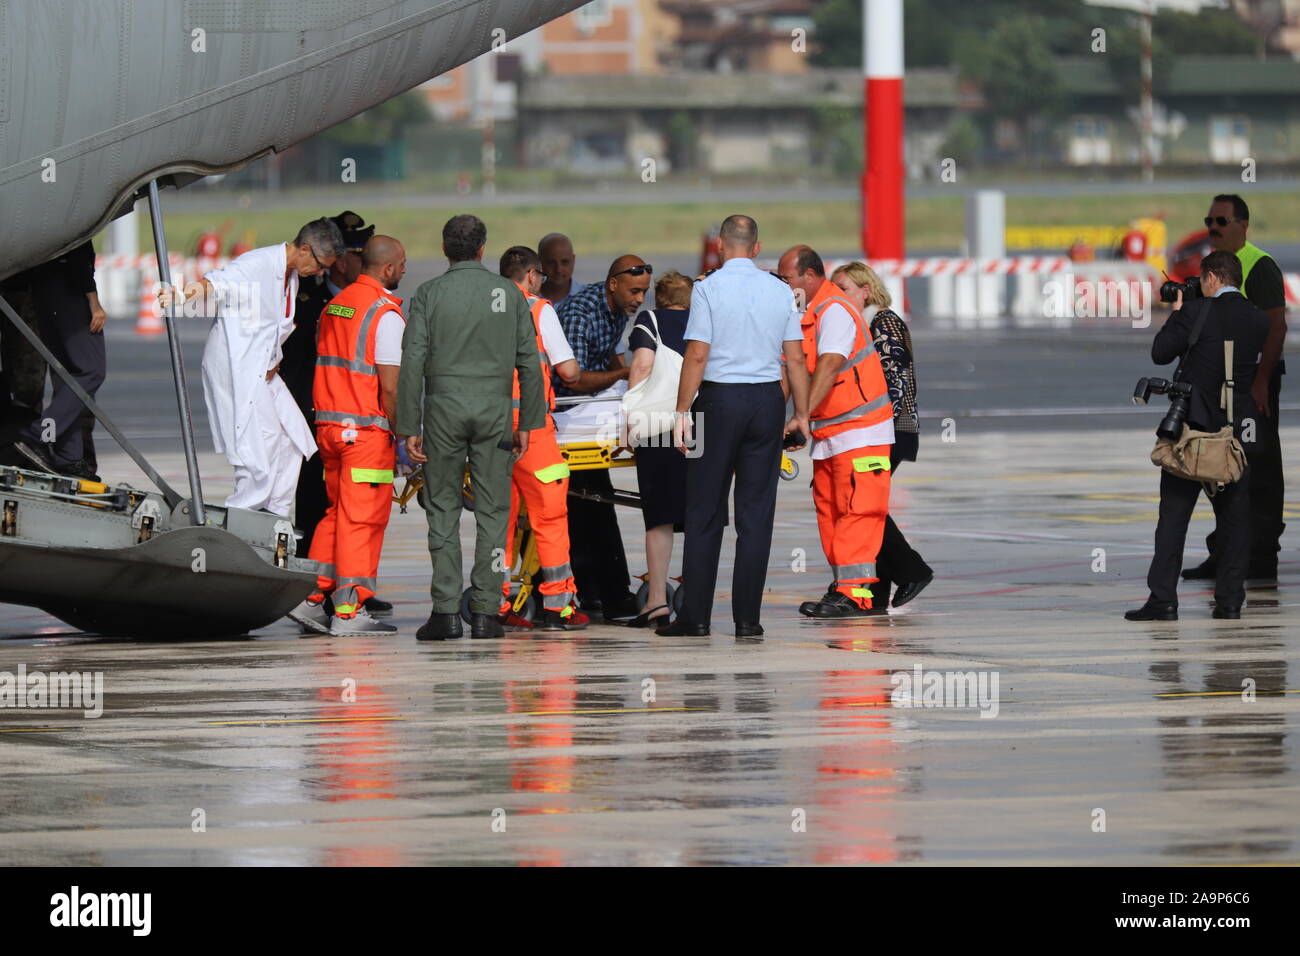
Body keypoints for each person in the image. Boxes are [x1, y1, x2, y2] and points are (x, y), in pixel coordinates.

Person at [658, 215, 811, 637]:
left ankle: (696, 617)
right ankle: (747, 620)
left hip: (717, 402)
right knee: (756, 515)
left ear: (721, 247)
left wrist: (681, 410)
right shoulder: (780, 291)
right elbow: (795, 358)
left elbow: (697, 355)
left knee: (704, 510)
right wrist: (801, 413)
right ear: (757, 248)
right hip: (765, 403)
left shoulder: (707, 288)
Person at [397, 214, 546, 642]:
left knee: (441, 509)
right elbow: (529, 362)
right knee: (494, 513)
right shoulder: (508, 293)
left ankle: (445, 613)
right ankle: (485, 611)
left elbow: (412, 363)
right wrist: (528, 422)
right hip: (495, 409)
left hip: (443, 408)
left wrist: (410, 424)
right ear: (483, 250)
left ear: (446, 250)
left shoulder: (428, 294)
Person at [1127, 250, 1270, 621]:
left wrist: (1178, 311)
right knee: (1235, 521)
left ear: (1210, 278)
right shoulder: (1257, 320)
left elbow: (1161, 353)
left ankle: (1163, 600)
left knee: (1174, 518)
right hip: (1235, 435)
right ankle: (1229, 602)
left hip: (1191, 432)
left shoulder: (1193, 313)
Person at [162, 220, 338, 515]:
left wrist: (274, 355)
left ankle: (275, 513)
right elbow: (217, 282)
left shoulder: (291, 276)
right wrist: (181, 297)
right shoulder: (259, 264)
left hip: (264, 369)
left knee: (293, 438)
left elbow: (273, 324)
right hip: (237, 365)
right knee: (258, 450)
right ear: (305, 249)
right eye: (321, 266)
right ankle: (241, 517)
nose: (320, 274)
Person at [288, 236, 407, 637]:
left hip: (330, 428)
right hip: (366, 432)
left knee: (337, 514)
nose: (405, 271)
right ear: (388, 269)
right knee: (363, 520)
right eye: (402, 264)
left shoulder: (335, 306)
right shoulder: (384, 314)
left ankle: (312, 599)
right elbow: (390, 389)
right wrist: (406, 433)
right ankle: (348, 609)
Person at [778, 246, 894, 619]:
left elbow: (829, 365)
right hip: (831, 436)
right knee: (830, 513)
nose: (783, 285)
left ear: (810, 276)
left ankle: (855, 594)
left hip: (862, 434)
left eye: (788, 278)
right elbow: (787, 370)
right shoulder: (804, 315)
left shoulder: (835, 311)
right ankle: (843, 587)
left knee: (858, 513)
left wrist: (801, 415)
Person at [1183, 194, 1288, 583]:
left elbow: (1277, 327)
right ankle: (1225, 552)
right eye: (1209, 220)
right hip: (1219, 387)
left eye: (1221, 221)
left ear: (1243, 225)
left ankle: (1262, 557)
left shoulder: (1259, 266)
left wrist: (1261, 384)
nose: (1212, 228)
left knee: (1258, 470)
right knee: (1219, 470)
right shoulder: (1212, 269)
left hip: (1250, 388)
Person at [831, 261, 934, 609]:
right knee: (864, 504)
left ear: (866, 289)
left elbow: (896, 382)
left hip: (887, 430)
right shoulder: (861, 323)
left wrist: (874, 426)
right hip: (874, 430)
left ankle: (911, 570)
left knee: (860, 505)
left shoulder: (883, 321)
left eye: (842, 288)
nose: (836, 296)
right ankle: (874, 591)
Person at [554, 254, 651, 622]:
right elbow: (572, 380)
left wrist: (630, 380)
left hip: (588, 413)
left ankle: (599, 592)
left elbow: (609, 356)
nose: (640, 300)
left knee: (593, 503)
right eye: (635, 291)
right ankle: (605, 593)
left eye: (644, 292)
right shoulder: (581, 312)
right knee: (588, 506)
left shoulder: (614, 309)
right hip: (568, 415)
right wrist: (623, 376)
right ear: (614, 283)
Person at [496, 245, 589, 631]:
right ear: (532, 276)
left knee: (498, 519)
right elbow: (568, 370)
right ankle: (558, 603)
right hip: (532, 429)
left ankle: (495, 600)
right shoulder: (538, 309)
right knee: (549, 515)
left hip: (490, 428)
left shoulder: (485, 310)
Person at [625, 270, 693, 629]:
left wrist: (630, 416)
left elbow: (642, 364)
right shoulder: (703, 321)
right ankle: (696, 596)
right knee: (699, 513)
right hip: (699, 427)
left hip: (660, 429)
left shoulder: (650, 319)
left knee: (659, 516)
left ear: (660, 298)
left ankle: (655, 601)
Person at [9, 240, 107, 480]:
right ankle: (40, 434)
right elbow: (76, 247)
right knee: (91, 371)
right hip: (69, 288)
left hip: (45, 290)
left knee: (68, 376)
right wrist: (92, 299)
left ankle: (68, 457)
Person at [538, 233, 577, 311]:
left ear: (573, 260)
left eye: (564, 262)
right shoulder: (527, 300)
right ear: (539, 262)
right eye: (551, 262)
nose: (558, 269)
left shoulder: (588, 298)